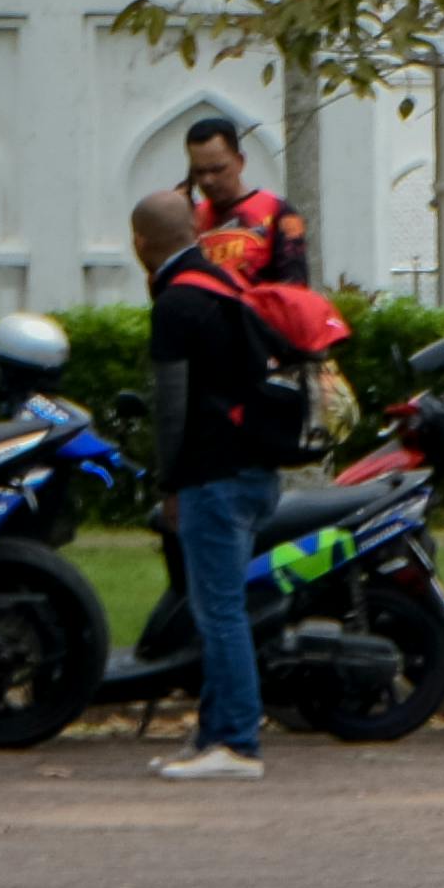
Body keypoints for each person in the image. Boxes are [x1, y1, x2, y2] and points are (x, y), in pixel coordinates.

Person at [137, 186, 303, 780]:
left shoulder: (176, 304)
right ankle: (213, 737)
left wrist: (169, 483)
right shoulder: (228, 286)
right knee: (219, 609)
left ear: (141, 244)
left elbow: (172, 408)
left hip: (213, 477)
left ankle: (236, 744)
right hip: (257, 471)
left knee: (219, 614)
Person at [181, 115, 304, 289]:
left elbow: (295, 290)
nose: (208, 180)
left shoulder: (279, 211)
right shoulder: (189, 220)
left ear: (240, 161)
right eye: (199, 172)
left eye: (217, 169)